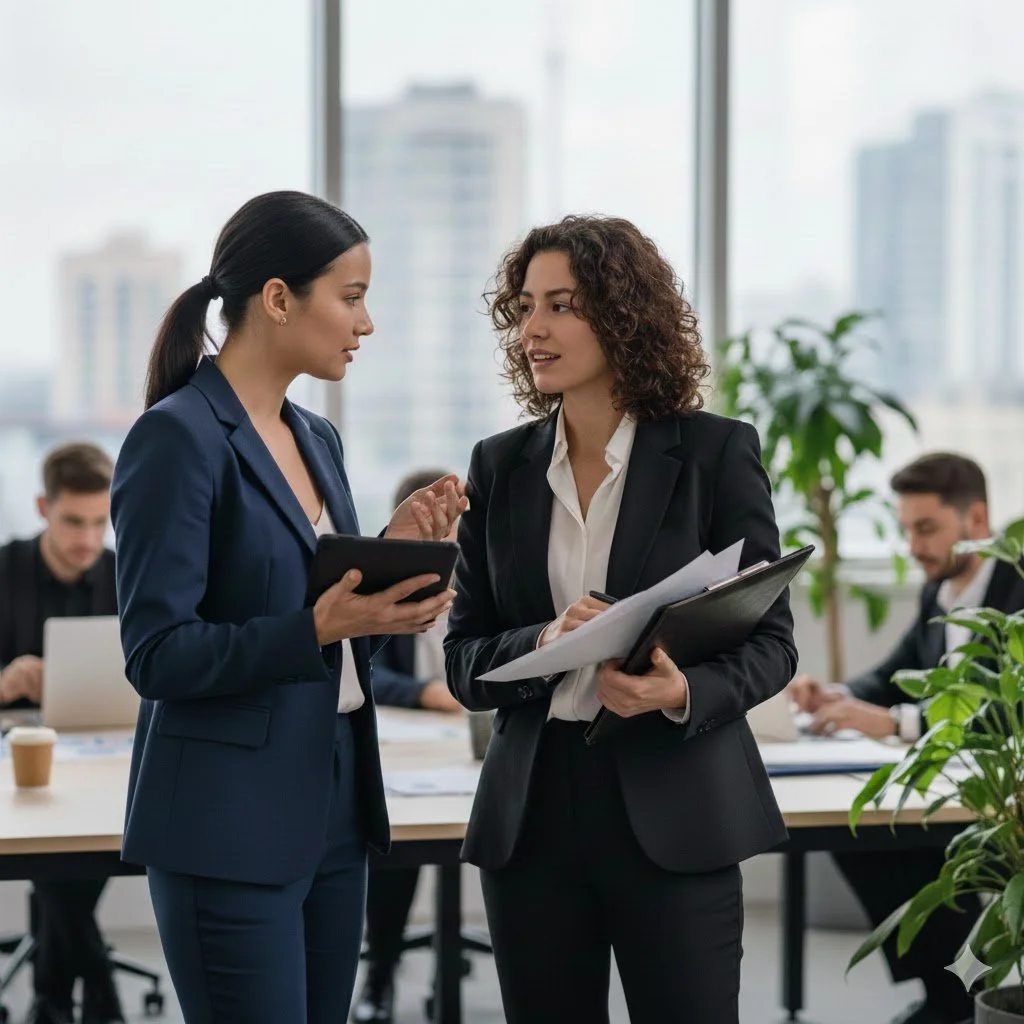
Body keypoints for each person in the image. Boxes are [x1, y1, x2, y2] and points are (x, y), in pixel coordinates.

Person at [110, 190, 467, 1024]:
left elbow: (323, 624)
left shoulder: (317, 438)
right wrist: (317, 627)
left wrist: (388, 572)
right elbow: (157, 655)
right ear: (278, 298)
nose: (366, 323)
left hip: (334, 804)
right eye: (352, 297)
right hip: (227, 821)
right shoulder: (177, 437)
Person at [443, 215, 798, 1024]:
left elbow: (772, 644)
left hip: (676, 804)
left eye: (561, 305)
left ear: (624, 314)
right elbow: (463, 660)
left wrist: (680, 691)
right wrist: (545, 640)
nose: (533, 329)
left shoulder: (714, 454)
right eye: (525, 308)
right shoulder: (499, 466)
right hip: (532, 814)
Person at [788, 453, 1024, 1024]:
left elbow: (1010, 714)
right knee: (858, 834)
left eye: (927, 529)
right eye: (906, 531)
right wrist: (836, 695)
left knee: (895, 840)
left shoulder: (1017, 593)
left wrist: (895, 723)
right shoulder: (937, 593)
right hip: (954, 782)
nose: (914, 547)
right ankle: (950, 995)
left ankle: (962, 995)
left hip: (1007, 793)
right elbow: (896, 673)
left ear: (976, 521)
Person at [0, 442, 125, 1024]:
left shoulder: (125, 574)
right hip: (16, 757)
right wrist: (4, 682)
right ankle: (92, 977)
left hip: (105, 751)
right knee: (61, 840)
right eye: (74, 521)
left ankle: (54, 996)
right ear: (42, 507)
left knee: (83, 837)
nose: (88, 539)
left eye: (101, 522)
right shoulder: (5, 569)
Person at [351, 468, 463, 1024]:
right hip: (410, 742)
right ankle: (381, 967)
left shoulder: (489, 584)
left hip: (475, 741)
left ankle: (450, 969)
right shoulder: (388, 589)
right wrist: (425, 693)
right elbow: (362, 666)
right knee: (395, 837)